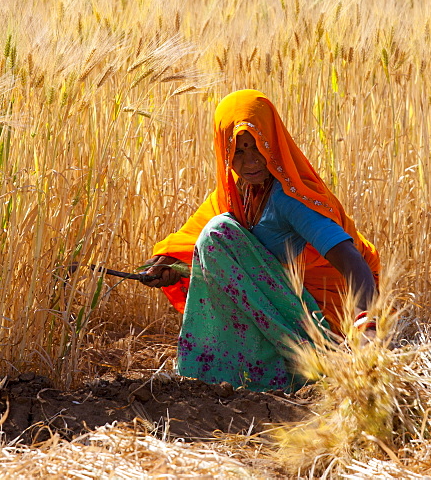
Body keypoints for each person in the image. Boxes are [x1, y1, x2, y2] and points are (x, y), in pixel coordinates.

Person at [140, 89, 380, 392]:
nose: (251, 161)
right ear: (224, 152)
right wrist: (174, 266)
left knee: (218, 234)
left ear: (274, 145)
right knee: (216, 234)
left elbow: (352, 262)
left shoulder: (290, 199)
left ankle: (309, 365)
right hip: (285, 314)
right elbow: (229, 259)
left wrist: (366, 331)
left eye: (259, 148)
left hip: (322, 327)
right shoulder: (237, 194)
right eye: (238, 152)